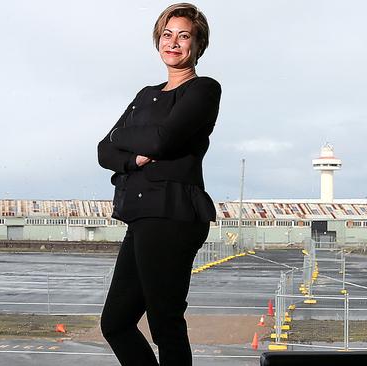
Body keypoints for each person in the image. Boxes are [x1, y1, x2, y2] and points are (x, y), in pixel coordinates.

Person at [96, 3, 220, 365]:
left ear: (198, 45)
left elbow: (163, 141)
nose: (174, 43)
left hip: (172, 213)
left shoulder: (203, 90)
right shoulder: (145, 94)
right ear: (158, 41)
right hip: (141, 215)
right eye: (167, 35)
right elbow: (105, 149)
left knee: (164, 321)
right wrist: (133, 155)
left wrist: (131, 138)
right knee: (116, 322)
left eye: (184, 36)